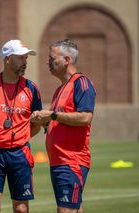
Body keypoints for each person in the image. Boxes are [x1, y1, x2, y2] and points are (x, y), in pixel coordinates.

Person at [0, 39, 42, 213]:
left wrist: (19, 138)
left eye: (26, 58)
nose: (25, 62)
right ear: (7, 59)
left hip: (20, 154)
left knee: (21, 209)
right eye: (21, 58)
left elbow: (37, 125)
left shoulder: (31, 88)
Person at [30, 39, 96, 213]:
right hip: (58, 162)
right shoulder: (59, 90)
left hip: (71, 162)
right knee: (75, 209)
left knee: (65, 210)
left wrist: (51, 115)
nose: (48, 62)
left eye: (52, 59)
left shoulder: (81, 83)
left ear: (67, 60)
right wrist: (44, 121)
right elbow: (59, 120)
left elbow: (85, 118)